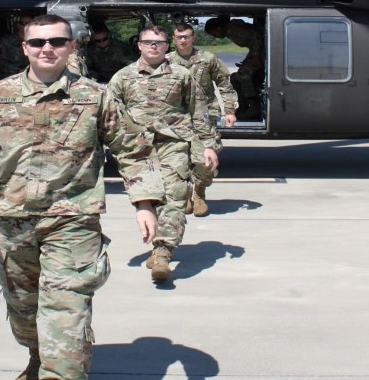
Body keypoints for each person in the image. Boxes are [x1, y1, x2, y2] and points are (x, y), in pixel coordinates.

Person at [0, 14, 164, 380]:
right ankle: (39, 356)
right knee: (24, 313)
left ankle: (60, 365)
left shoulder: (94, 97)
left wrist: (145, 202)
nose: (47, 49)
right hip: (12, 225)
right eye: (38, 42)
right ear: (25, 48)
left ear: (71, 46)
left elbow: (133, 149)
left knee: (66, 317)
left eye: (56, 41)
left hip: (73, 225)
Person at [107, 25, 220, 282]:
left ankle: (163, 252)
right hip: (138, 149)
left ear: (167, 46)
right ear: (139, 45)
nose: (153, 46)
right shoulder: (122, 77)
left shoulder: (182, 75)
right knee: (150, 199)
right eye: (148, 42)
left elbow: (198, 110)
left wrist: (208, 145)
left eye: (158, 42)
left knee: (175, 197)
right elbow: (109, 114)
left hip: (174, 144)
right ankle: (159, 244)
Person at [168, 22, 237, 217]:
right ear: (174, 39)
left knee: (206, 158)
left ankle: (199, 192)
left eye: (187, 36)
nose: (183, 40)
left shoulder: (208, 59)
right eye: (179, 37)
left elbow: (224, 83)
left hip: (205, 115)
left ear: (193, 38)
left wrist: (229, 110)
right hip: (176, 117)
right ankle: (185, 194)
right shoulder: (167, 61)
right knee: (177, 159)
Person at [204, 16, 265, 120]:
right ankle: (243, 107)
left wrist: (255, 56)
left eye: (214, 33)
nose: (215, 36)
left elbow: (257, 37)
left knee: (243, 76)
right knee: (234, 78)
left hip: (264, 51)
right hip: (260, 51)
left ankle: (254, 108)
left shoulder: (233, 29)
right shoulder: (231, 30)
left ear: (218, 28)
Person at [0, 13, 34, 77]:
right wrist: (20, 71)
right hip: (11, 78)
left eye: (29, 23)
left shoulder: (39, 41)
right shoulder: (6, 41)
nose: (26, 26)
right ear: (18, 25)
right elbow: (0, 63)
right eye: (23, 23)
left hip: (34, 77)